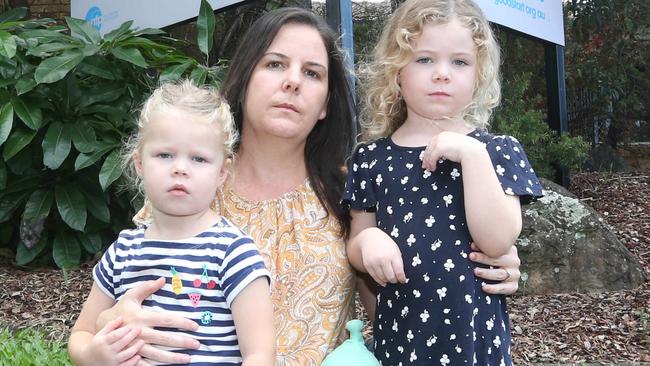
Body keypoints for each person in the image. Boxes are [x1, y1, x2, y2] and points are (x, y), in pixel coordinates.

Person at [90, 7, 526, 366]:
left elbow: (397, 304)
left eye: (313, 73)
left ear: (324, 105)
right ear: (244, 80)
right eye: (275, 64)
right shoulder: (192, 183)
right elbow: (132, 283)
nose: (293, 81)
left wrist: (481, 266)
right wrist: (117, 324)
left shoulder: (348, 190)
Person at [343, 0, 544, 364]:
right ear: (396, 70)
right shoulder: (371, 158)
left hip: (475, 345)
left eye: (460, 62)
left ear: (479, 73)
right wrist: (368, 241)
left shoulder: (496, 150)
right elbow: (356, 242)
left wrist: (472, 156)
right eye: (424, 59)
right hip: (401, 345)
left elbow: (498, 240)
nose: (442, 73)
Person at [68, 81, 275, 366]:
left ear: (222, 172)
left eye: (199, 159)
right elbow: (81, 333)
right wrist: (93, 355)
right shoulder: (123, 251)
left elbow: (261, 355)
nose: (180, 168)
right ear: (139, 163)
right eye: (165, 155)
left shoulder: (233, 252)